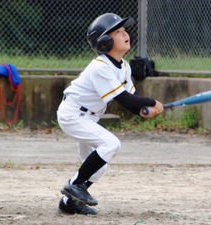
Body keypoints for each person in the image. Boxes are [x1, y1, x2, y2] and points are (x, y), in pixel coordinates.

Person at [56, 13, 164, 215]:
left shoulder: (124, 66)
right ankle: (76, 185)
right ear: (104, 42)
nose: (125, 34)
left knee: (99, 166)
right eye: (118, 32)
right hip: (72, 114)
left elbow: (132, 101)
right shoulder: (100, 66)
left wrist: (144, 111)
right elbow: (125, 99)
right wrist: (152, 102)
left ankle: (68, 202)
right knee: (111, 144)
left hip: (88, 117)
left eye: (125, 30)